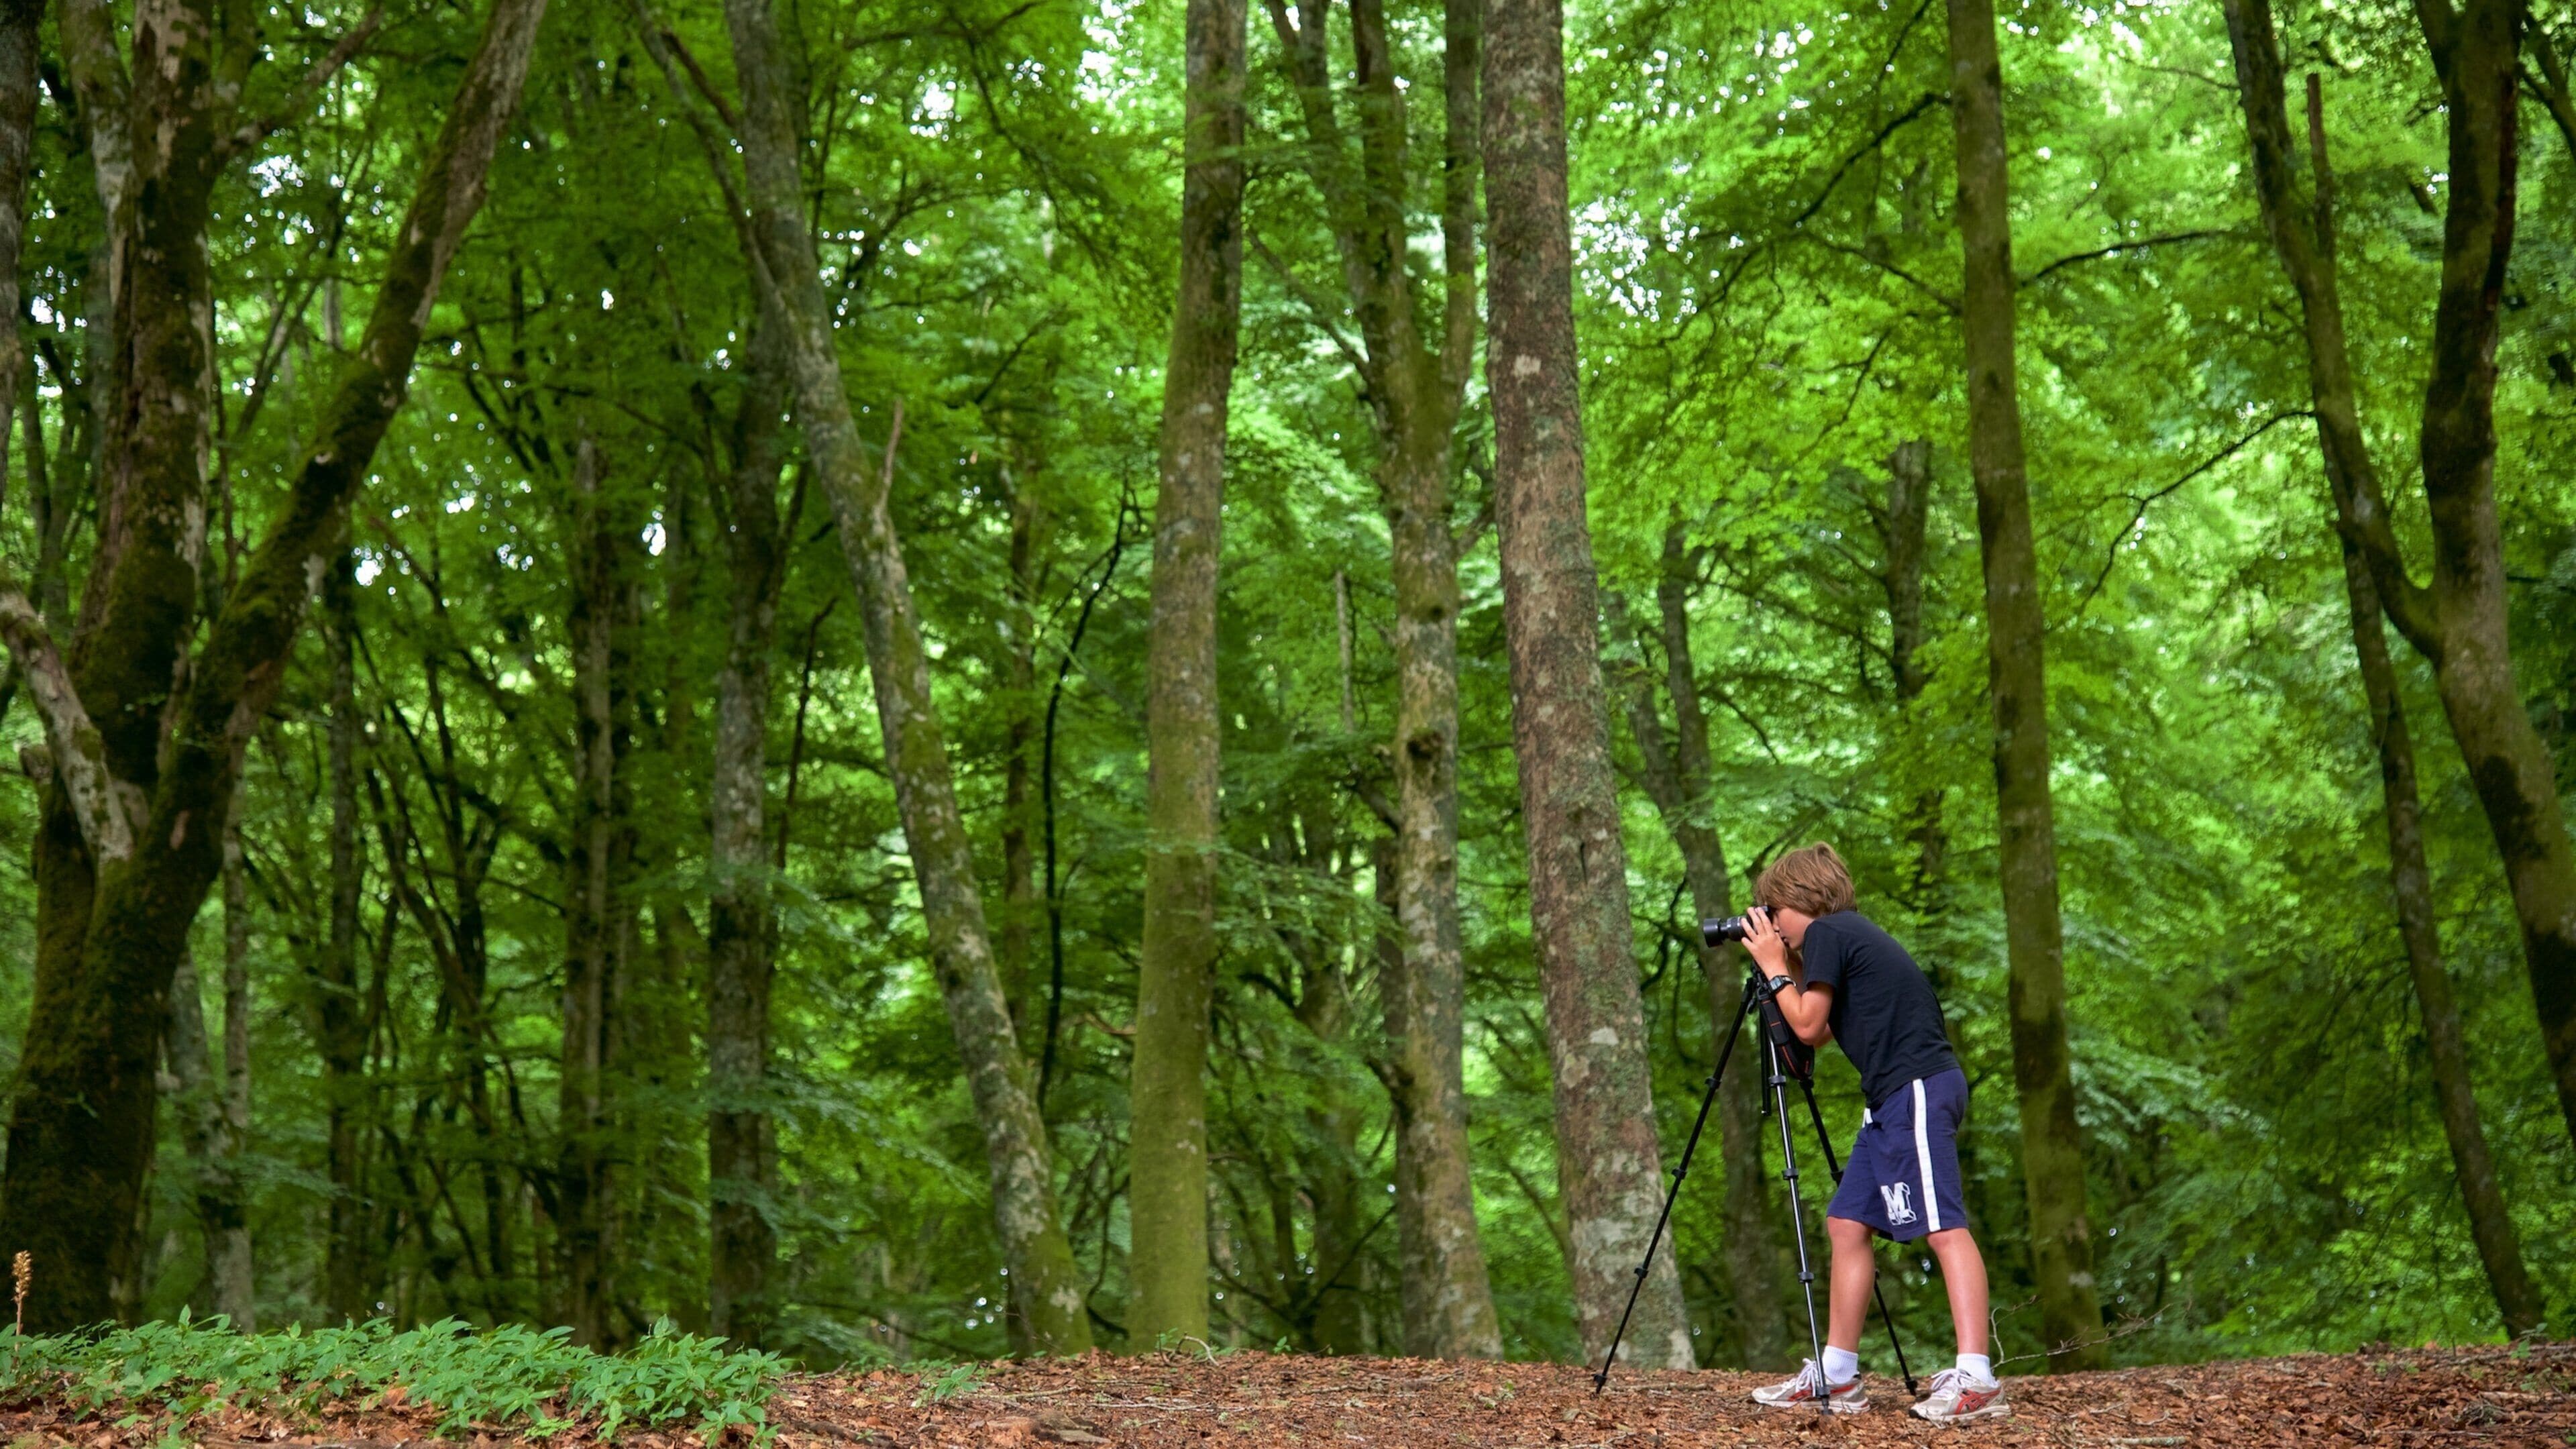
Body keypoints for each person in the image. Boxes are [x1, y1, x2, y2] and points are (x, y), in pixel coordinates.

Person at [1737, 844, 2008, 1424]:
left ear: (1801, 902)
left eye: (1773, 911)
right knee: (1847, 1221)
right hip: (1893, 1097)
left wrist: (1772, 965)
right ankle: (1837, 1375)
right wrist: (1791, 969)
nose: (1771, 924)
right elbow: (1827, 1025)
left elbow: (1807, 1028)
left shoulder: (1832, 931)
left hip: (1917, 1089)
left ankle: (1978, 1379)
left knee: (1943, 1226)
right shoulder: (1843, 939)